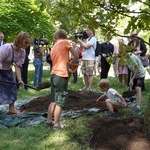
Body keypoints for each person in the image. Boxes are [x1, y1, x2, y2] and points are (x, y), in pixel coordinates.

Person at [45, 29, 79, 130]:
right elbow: (76, 55)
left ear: (56, 38)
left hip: (53, 74)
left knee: (53, 100)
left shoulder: (54, 46)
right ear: (63, 37)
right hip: (61, 75)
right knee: (60, 101)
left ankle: (48, 122)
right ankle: (56, 125)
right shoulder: (65, 42)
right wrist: (71, 64)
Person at [0, 31, 31, 114]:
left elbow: (17, 66)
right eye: (26, 42)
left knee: (13, 88)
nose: (27, 45)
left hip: (7, 70)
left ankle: (11, 109)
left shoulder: (22, 52)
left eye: (28, 43)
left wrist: (20, 79)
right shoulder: (7, 48)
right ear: (20, 40)